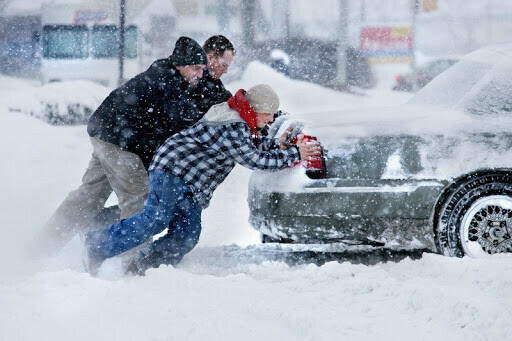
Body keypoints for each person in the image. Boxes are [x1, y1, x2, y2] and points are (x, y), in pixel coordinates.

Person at [84, 84, 321, 275]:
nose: (270, 121)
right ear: (257, 109)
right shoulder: (234, 125)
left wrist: (280, 146)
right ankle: (96, 245)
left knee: (186, 234)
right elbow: (254, 159)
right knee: (154, 219)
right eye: (269, 115)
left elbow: (252, 145)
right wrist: (295, 153)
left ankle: (144, 267)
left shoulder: (242, 120)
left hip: (191, 184)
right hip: (172, 170)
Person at [35, 36, 234, 256]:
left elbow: (213, 101)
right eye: (222, 64)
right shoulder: (168, 82)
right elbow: (180, 121)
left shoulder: (180, 76)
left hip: (106, 132)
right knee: (139, 200)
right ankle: (130, 263)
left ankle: (42, 248)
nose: (202, 73)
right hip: (120, 142)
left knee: (89, 196)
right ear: (184, 64)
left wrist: (242, 110)